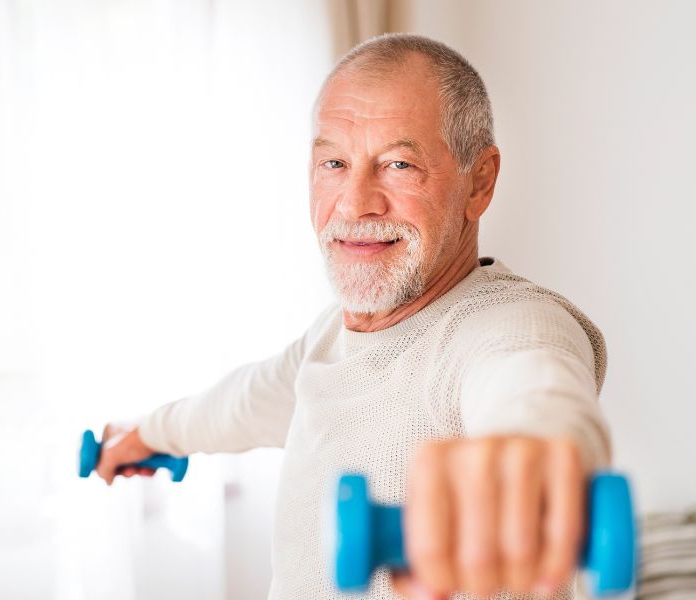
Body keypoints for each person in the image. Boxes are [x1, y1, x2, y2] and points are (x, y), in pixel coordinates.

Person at [96, 33, 610, 600]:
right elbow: (245, 401)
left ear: (480, 181)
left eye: (398, 164)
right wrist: (147, 431)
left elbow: (535, 386)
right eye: (334, 163)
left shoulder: (508, 323)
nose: (354, 202)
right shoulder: (331, 336)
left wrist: (531, 464)